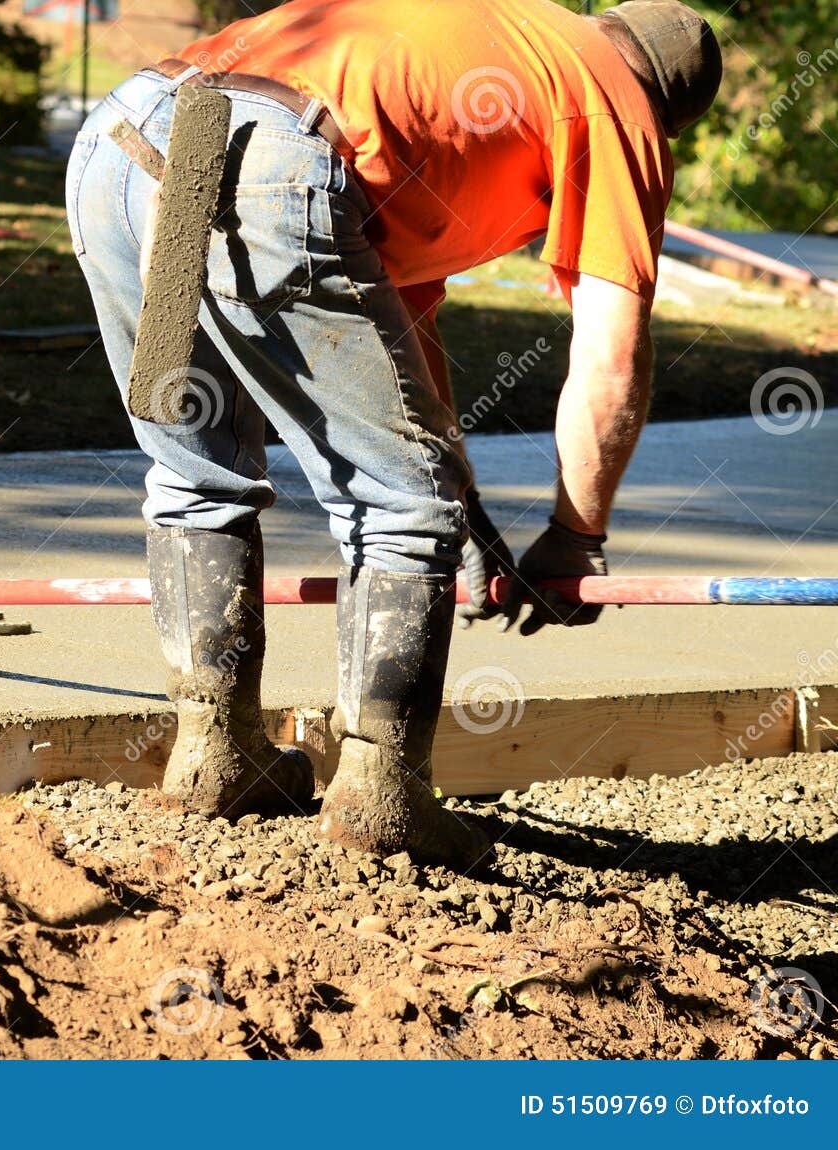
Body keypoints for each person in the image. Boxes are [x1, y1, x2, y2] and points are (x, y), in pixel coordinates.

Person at [64, 0, 721, 866]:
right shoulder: (615, 104)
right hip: (269, 157)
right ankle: (382, 796)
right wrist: (574, 535)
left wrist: (463, 498)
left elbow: (398, 343)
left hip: (125, 140)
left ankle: (214, 756)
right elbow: (613, 352)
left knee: (197, 469)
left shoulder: (510, 43)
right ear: (667, 114)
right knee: (403, 514)